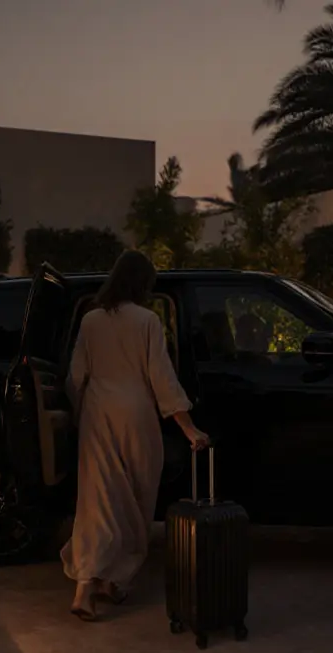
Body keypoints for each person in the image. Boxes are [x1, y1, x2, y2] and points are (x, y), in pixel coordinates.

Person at [61, 250, 211, 621]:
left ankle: (85, 586)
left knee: (96, 501)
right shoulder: (147, 321)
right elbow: (162, 377)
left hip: (99, 413)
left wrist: (77, 417)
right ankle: (116, 581)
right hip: (137, 415)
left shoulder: (91, 321)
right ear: (143, 285)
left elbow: (75, 376)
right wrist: (188, 428)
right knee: (136, 499)